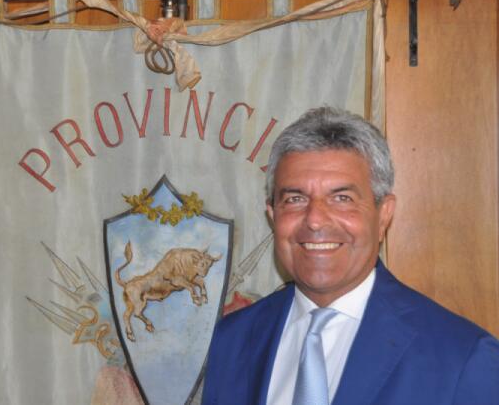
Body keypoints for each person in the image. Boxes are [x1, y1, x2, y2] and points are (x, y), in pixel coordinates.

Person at [202, 106, 499, 405]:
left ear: (384, 215)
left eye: (342, 198)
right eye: (295, 199)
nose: (315, 219)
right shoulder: (233, 339)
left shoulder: (462, 358)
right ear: (272, 215)